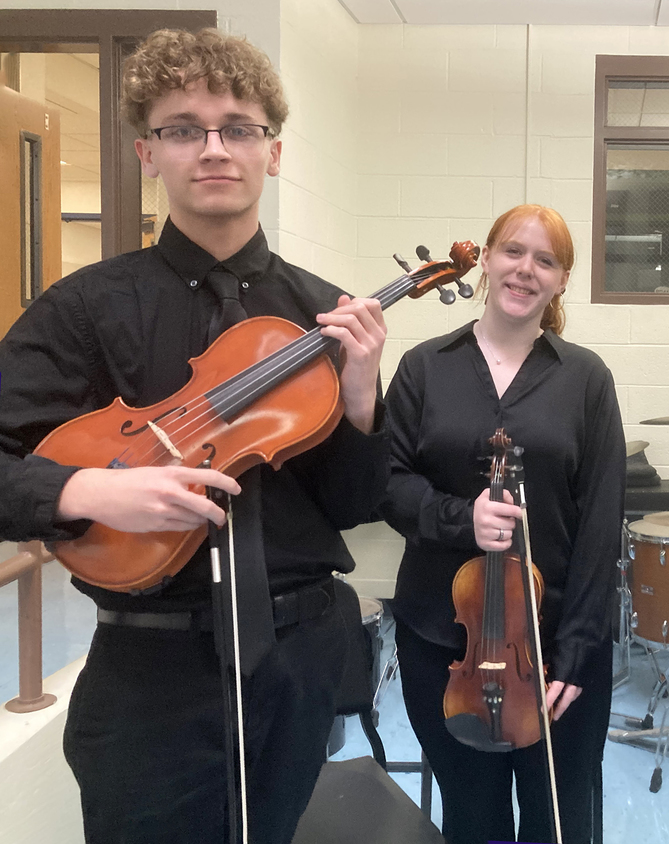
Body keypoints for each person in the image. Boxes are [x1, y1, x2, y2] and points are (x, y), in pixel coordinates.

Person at [0, 28, 390, 844]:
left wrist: (360, 404)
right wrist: (87, 490)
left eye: (237, 127)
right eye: (184, 128)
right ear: (149, 152)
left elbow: (355, 506)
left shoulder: (324, 316)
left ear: (272, 152)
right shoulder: (83, 309)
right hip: (148, 671)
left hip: (296, 659)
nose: (214, 148)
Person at [381, 204, 625, 844]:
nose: (526, 269)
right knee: (472, 817)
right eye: (513, 252)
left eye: (545, 260)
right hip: (446, 642)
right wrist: (463, 519)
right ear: (486, 259)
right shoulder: (425, 367)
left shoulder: (586, 379)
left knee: (561, 818)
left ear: (563, 280)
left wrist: (578, 649)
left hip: (556, 649)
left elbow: (602, 521)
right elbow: (388, 483)